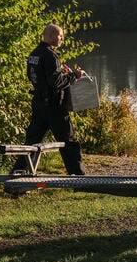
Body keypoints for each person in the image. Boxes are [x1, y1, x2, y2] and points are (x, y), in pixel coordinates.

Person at [14, 23, 87, 175]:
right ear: (51, 36)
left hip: (39, 104)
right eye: (60, 36)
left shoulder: (35, 54)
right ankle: (79, 178)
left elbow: (35, 77)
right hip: (54, 107)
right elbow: (56, 83)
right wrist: (74, 76)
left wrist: (62, 72)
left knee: (31, 143)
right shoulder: (50, 55)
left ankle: (17, 174)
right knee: (69, 142)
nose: (62, 39)